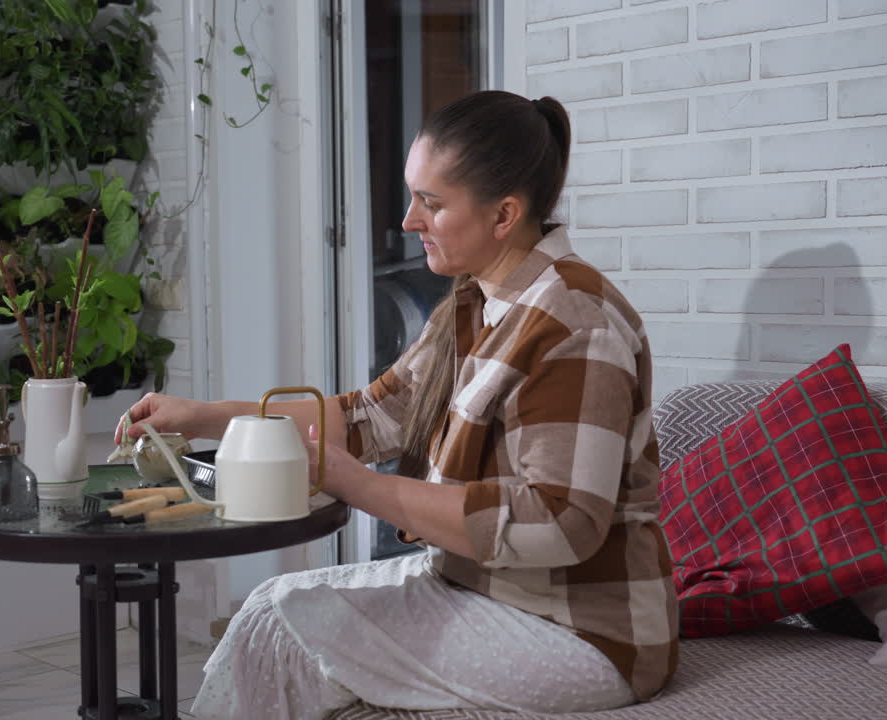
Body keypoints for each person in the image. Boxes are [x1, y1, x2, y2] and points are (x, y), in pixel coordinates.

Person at [116, 90, 678, 719]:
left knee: (286, 630)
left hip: (582, 636)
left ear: (504, 215)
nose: (410, 220)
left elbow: (560, 522)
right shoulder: (474, 303)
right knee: (268, 607)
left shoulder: (574, 322)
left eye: (431, 204)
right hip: (483, 591)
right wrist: (203, 416)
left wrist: (352, 484)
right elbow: (368, 417)